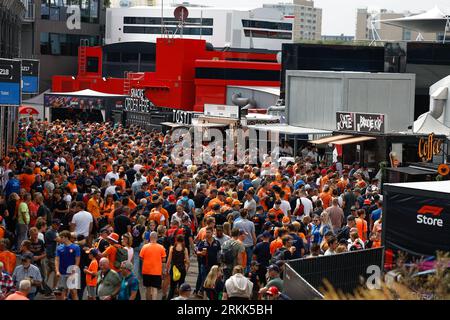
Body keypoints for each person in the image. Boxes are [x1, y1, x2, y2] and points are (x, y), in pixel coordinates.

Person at [140, 231, 167, 300]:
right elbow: (164, 260)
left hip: (146, 271)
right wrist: (163, 271)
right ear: (157, 238)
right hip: (157, 271)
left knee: (148, 288)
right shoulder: (161, 247)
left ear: (150, 238)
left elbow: (141, 258)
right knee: (155, 289)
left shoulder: (144, 247)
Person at [55, 230, 80, 300]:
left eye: (61, 237)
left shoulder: (76, 247)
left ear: (66, 237)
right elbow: (57, 260)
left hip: (72, 273)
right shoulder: (59, 247)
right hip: (62, 273)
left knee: (73, 292)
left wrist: (74, 271)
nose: (60, 238)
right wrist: (57, 271)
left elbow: (77, 260)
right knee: (63, 293)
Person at [197, 227, 221, 298]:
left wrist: (219, 265)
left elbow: (219, 254)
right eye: (206, 232)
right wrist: (201, 253)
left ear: (212, 232)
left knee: (214, 282)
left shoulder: (217, 242)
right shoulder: (202, 242)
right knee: (205, 281)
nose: (207, 234)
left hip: (214, 266)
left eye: (208, 232)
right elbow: (197, 251)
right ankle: (203, 294)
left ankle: (211, 296)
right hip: (205, 265)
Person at [166, 234, 190, 300]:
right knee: (181, 287)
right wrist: (186, 269)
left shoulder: (172, 248)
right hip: (182, 269)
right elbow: (188, 261)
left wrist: (167, 270)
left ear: (176, 240)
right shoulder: (185, 249)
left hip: (173, 269)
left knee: (172, 288)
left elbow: (168, 260)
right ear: (183, 241)